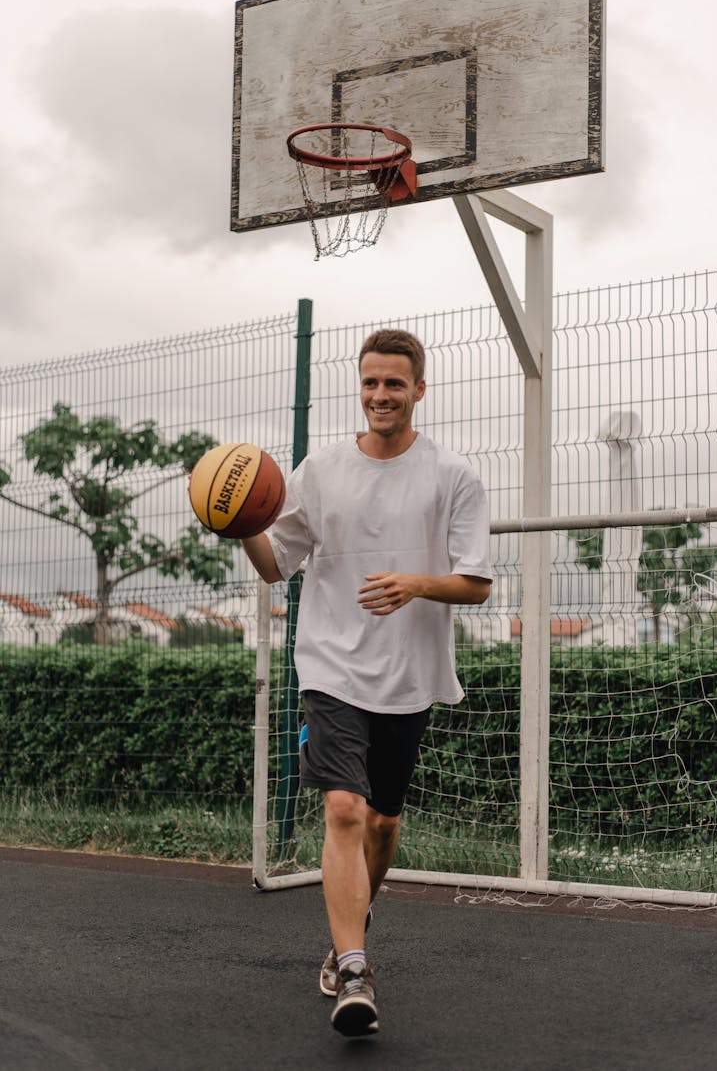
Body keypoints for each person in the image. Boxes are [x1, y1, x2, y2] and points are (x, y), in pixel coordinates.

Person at [242, 328, 491, 1037]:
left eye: (394, 384)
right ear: (360, 386)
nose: (381, 395)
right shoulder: (319, 470)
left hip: (409, 674)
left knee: (382, 823)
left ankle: (351, 914)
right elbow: (273, 564)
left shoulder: (454, 476)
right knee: (344, 811)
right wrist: (236, 522)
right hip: (331, 667)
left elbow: (474, 584)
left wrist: (415, 582)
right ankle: (354, 968)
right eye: (371, 382)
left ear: (419, 389)